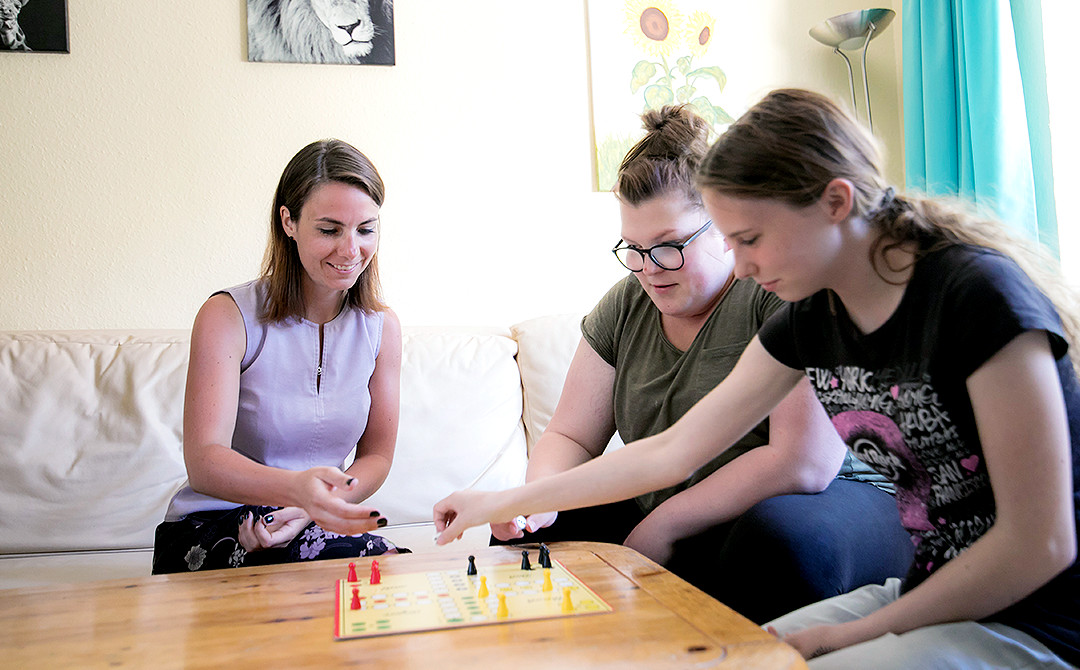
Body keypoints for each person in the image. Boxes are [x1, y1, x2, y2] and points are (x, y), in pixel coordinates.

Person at [434, 89, 1080, 668]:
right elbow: (671, 451)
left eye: (748, 239)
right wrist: (498, 503)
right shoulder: (812, 318)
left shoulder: (978, 297)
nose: (740, 268)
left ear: (835, 202)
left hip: (1042, 621)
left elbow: (1041, 544)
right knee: (729, 662)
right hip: (927, 591)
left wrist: (861, 634)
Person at [488, 104, 913, 624]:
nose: (648, 269)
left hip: (833, 494)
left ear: (724, 222)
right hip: (682, 494)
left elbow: (801, 464)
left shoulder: (781, 290)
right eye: (634, 249)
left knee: (776, 542)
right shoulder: (626, 302)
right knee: (538, 532)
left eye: (669, 247)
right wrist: (538, 499)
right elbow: (575, 437)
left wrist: (663, 525)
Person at [153, 139, 404, 573]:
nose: (350, 250)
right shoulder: (227, 315)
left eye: (365, 229)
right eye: (329, 230)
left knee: (391, 574)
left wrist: (314, 506)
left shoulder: (382, 327)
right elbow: (204, 462)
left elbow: (377, 457)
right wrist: (295, 491)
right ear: (288, 221)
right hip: (215, 521)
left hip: (314, 522)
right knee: (352, 566)